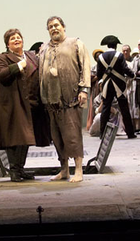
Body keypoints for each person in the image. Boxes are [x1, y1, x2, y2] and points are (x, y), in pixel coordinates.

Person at [39, 16, 91, 183]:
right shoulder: (44, 48)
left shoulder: (76, 44)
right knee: (57, 137)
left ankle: (78, 170)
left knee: (73, 135)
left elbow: (85, 66)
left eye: (56, 25)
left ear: (63, 27)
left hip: (71, 98)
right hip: (51, 101)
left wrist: (84, 89)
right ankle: (64, 170)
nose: (53, 29)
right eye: (50, 27)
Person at [0, 29, 38, 182]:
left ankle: (20, 169)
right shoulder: (3, 58)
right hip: (12, 103)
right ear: (7, 44)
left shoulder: (30, 56)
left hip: (28, 101)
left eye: (18, 37)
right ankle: (14, 170)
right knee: (14, 137)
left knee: (26, 137)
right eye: (13, 39)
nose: (17, 40)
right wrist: (18, 66)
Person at [96, 35, 136, 139]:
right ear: (116, 45)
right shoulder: (119, 55)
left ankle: (102, 134)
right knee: (124, 108)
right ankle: (130, 133)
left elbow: (99, 74)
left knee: (105, 108)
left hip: (106, 86)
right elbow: (125, 68)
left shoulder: (100, 57)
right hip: (119, 85)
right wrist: (133, 75)